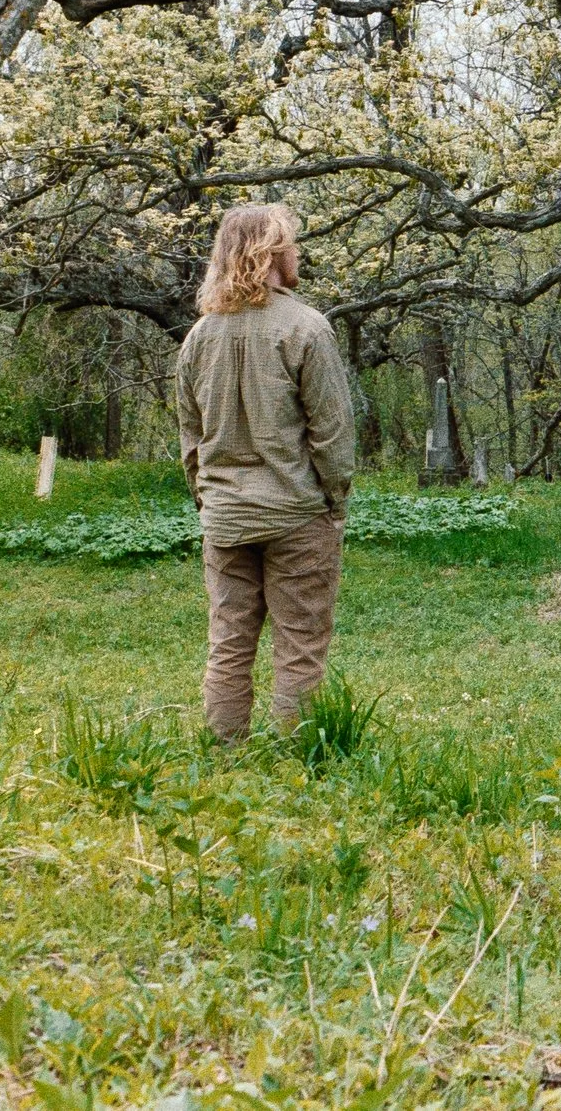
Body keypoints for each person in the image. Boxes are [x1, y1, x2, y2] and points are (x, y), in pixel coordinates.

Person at [177, 203, 357, 743]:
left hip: (226, 518)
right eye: (291, 245)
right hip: (297, 514)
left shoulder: (200, 336)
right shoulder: (306, 328)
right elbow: (333, 435)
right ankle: (297, 758)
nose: (297, 254)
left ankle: (224, 750)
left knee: (229, 644)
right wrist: (333, 503)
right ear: (272, 253)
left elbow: (191, 439)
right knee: (300, 645)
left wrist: (209, 500)